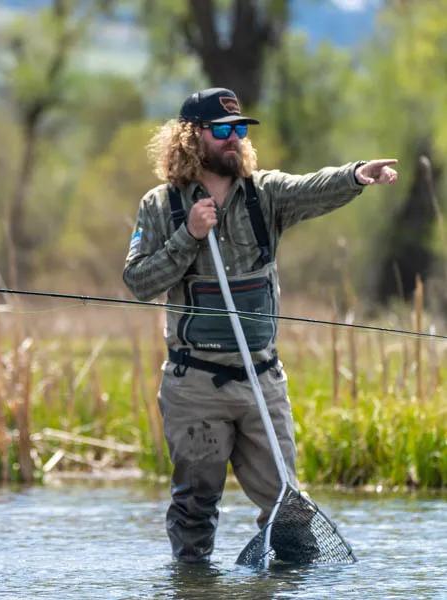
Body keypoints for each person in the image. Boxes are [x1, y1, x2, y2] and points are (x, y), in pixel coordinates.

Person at [122, 87, 398, 563]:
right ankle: (193, 589)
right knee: (195, 504)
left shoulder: (265, 194)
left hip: (262, 379)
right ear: (192, 137)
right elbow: (138, 282)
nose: (235, 139)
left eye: (241, 130)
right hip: (195, 384)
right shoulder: (159, 205)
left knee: (287, 505)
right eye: (223, 130)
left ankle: (293, 583)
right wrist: (188, 235)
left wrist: (356, 175)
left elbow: (313, 188)